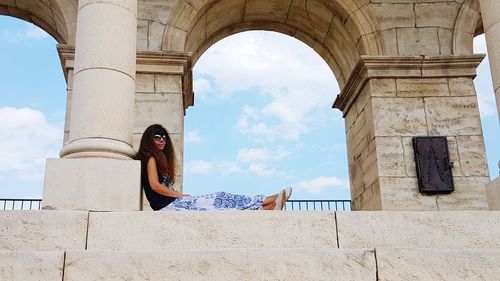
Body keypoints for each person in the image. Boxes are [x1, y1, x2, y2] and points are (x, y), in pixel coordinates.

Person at [135, 124, 292, 211]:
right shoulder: (151, 158)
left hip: (171, 205)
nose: (162, 140)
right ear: (150, 140)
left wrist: (179, 196)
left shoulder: (158, 159)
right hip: (168, 206)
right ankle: (266, 199)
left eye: (164, 137)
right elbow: (155, 186)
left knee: (218, 206)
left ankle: (265, 209)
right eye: (157, 137)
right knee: (219, 198)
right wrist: (180, 196)